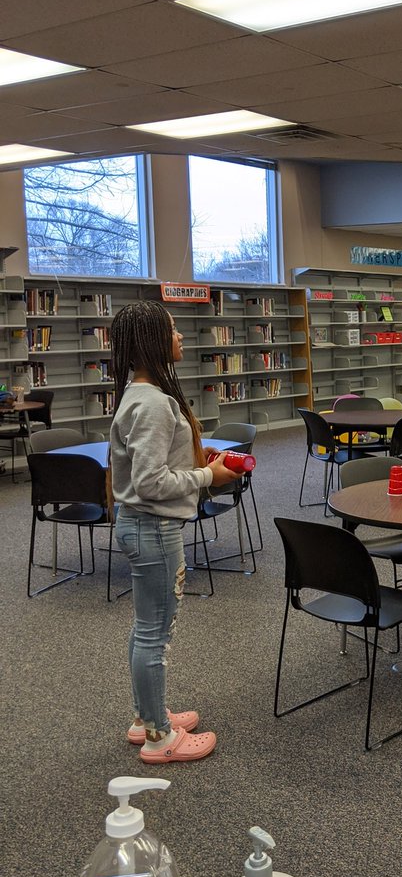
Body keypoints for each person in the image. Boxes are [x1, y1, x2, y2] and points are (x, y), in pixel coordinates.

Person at [109, 301, 238, 763]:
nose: (180, 336)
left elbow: (154, 469)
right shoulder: (155, 403)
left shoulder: (137, 394)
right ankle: (160, 738)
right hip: (153, 529)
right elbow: (150, 483)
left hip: (143, 526)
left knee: (146, 628)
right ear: (151, 341)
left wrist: (195, 463)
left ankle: (147, 716)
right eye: (173, 329)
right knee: (154, 634)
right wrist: (209, 478)